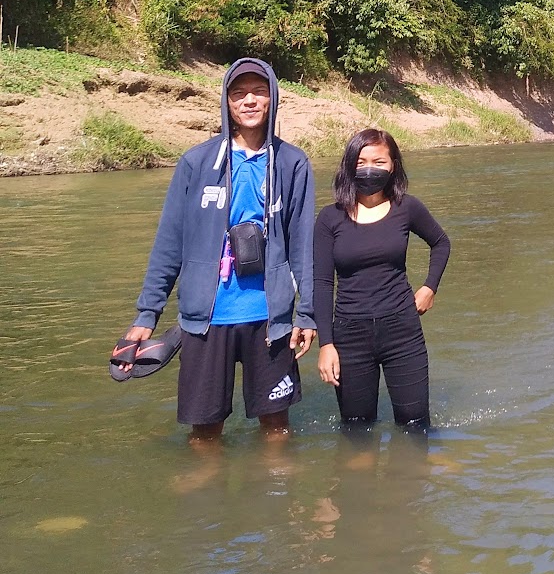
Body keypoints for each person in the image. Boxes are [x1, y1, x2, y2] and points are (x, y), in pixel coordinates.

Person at [118, 58, 317, 442]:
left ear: (273, 98)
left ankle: (273, 497)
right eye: (239, 93)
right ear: (226, 103)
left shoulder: (293, 163)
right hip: (205, 318)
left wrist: (305, 315)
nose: (249, 101)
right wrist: (147, 313)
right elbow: (168, 242)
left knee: (276, 427)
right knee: (204, 430)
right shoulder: (196, 162)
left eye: (259, 92)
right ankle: (206, 498)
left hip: (269, 319)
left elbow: (303, 245)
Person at [314, 128, 450, 431]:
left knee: (415, 425)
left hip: (403, 332)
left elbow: (441, 242)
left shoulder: (407, 208)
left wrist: (430, 287)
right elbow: (322, 283)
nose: (369, 170)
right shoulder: (329, 218)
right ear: (349, 166)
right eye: (361, 162)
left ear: (393, 166)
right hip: (349, 336)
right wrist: (326, 344)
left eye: (379, 162)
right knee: (357, 428)